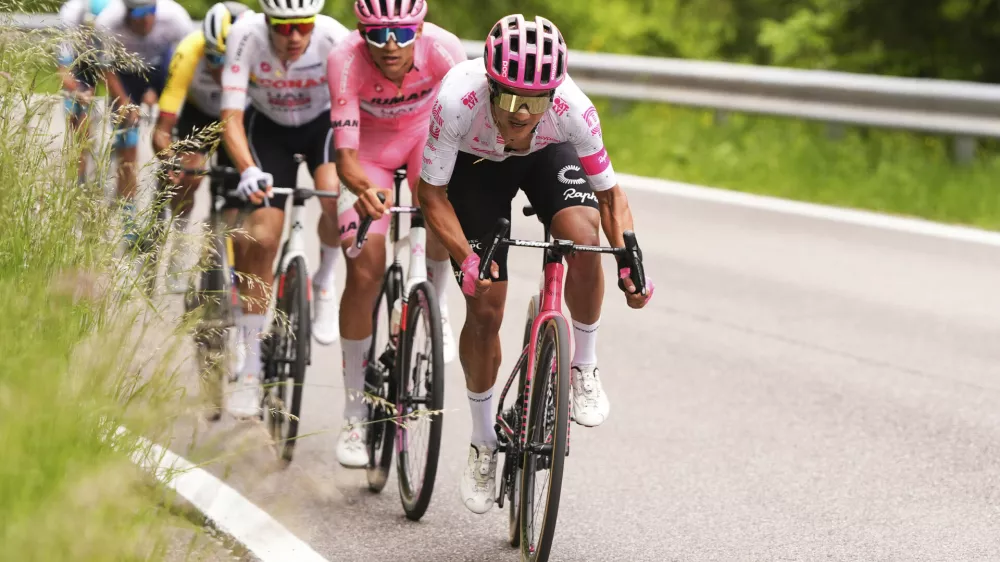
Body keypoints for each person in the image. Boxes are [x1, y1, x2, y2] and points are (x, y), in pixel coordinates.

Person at [411, 14, 655, 513]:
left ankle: (583, 363)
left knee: (584, 238)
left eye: (535, 100)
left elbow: (611, 198)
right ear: (490, 85)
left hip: (547, 155)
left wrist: (630, 256)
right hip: (476, 171)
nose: (521, 113)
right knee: (485, 307)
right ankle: (482, 442)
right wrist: (467, 257)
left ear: (554, 93)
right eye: (509, 99)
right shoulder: (457, 99)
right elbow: (430, 195)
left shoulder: (572, 109)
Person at [325, 0, 466, 468]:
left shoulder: (445, 50)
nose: (390, 45)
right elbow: (344, 160)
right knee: (364, 271)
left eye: (403, 34)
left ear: (420, 29)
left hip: (425, 136)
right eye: (377, 33)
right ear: (360, 31)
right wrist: (364, 191)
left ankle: (436, 298)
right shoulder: (344, 60)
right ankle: (352, 413)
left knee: (442, 207)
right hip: (368, 153)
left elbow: (464, 127)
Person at [219, 0, 350, 418]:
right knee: (261, 238)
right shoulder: (246, 35)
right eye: (283, 27)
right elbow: (230, 117)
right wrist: (247, 170)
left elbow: (354, 111)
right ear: (267, 21)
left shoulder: (333, 37)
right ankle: (251, 370)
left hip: (321, 126)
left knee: (333, 196)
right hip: (268, 129)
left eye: (302, 25)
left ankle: (325, 281)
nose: (294, 37)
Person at [152, 1, 251, 291]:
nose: (222, 71)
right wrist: (171, 161)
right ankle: (180, 244)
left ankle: (226, 259)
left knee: (238, 196)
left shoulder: (258, 51)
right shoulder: (189, 51)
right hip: (200, 114)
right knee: (188, 175)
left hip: (239, 118)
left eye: (230, 61)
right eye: (215, 59)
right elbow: (162, 129)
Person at [95, 0, 194, 244]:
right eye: (138, 13)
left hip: (162, 69)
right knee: (128, 145)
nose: (146, 19)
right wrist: (126, 104)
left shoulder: (175, 16)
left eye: (150, 12)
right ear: (126, 11)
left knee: (169, 130)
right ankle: (129, 223)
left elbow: (191, 59)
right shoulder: (107, 22)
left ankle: (166, 176)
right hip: (124, 75)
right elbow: (106, 70)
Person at [57, 0, 112, 184]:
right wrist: (78, 92)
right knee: (74, 118)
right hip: (75, 57)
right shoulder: (70, 14)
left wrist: (90, 92)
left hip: (97, 57)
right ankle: (78, 173)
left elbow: (108, 72)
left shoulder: (113, 19)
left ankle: (84, 169)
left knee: (84, 121)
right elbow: (64, 70)